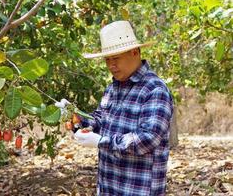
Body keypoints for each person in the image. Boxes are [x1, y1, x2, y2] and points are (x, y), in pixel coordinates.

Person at [56, 20, 173, 196]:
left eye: (116, 58)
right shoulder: (112, 88)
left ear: (134, 52)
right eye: (107, 60)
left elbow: (148, 139)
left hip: (138, 189)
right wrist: (79, 119)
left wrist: (101, 142)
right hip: (108, 186)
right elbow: (101, 119)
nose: (111, 65)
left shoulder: (154, 89)